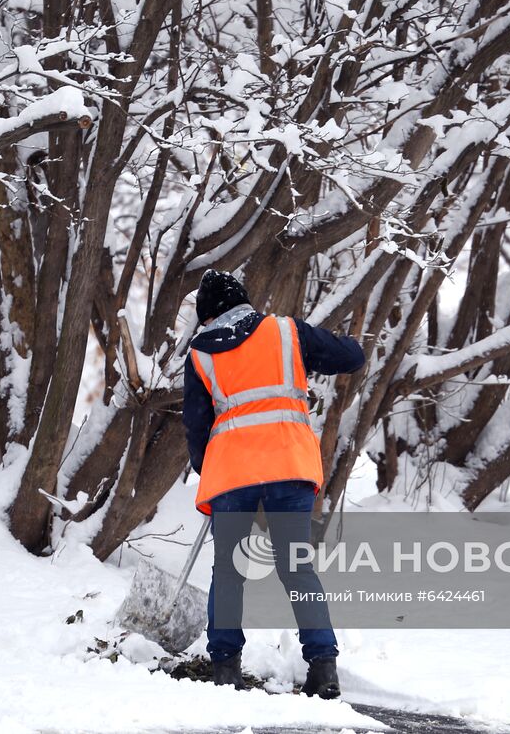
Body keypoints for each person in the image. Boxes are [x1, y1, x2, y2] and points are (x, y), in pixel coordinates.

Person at [182, 270, 365, 698]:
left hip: (232, 474)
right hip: (290, 463)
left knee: (228, 571)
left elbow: (196, 425)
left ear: (207, 316)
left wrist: (206, 466)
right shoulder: (286, 332)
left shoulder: (200, 354)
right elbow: (352, 358)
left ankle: (225, 667)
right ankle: (323, 668)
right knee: (297, 568)